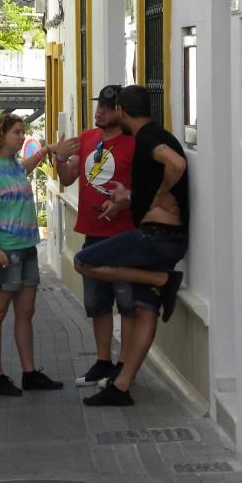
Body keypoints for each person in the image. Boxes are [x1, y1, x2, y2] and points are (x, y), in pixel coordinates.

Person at [73, 85, 189, 407]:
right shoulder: (152, 136)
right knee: (145, 309)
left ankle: (161, 281)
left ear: (121, 111)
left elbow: (176, 165)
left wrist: (162, 192)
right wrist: (127, 201)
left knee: (83, 261)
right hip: (164, 238)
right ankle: (122, 386)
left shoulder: (148, 137)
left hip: (154, 238)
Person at [51, 85, 136, 388]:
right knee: (97, 303)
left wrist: (127, 200)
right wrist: (59, 159)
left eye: (107, 106)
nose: (100, 110)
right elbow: (69, 177)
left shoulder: (133, 143)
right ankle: (103, 362)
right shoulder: (87, 139)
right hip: (93, 234)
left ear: (120, 112)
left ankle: (124, 366)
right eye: (99, 104)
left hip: (125, 236)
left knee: (127, 303)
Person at [0, 113, 62, 396]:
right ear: (1, 135)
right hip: (4, 250)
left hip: (25, 247)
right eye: (16, 131)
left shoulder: (11, 164)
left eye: (22, 131)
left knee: (26, 312)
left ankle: (29, 372)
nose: (21, 136)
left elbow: (23, 168)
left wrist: (46, 152)